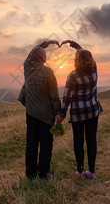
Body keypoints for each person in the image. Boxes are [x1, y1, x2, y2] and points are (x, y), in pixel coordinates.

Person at [56, 40, 103, 179]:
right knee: (91, 140)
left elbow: (67, 97)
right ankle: (91, 171)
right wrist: (76, 45)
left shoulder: (73, 75)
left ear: (77, 60)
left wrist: (62, 112)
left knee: (78, 141)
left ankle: (80, 170)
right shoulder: (94, 68)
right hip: (93, 110)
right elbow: (85, 55)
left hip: (78, 113)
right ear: (90, 59)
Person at [18, 40, 61, 181]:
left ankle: (30, 175)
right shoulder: (48, 72)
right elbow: (54, 96)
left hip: (30, 114)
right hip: (46, 115)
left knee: (31, 144)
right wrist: (58, 113)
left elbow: (30, 54)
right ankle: (43, 173)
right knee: (45, 145)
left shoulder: (27, 67)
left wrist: (44, 43)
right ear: (44, 58)